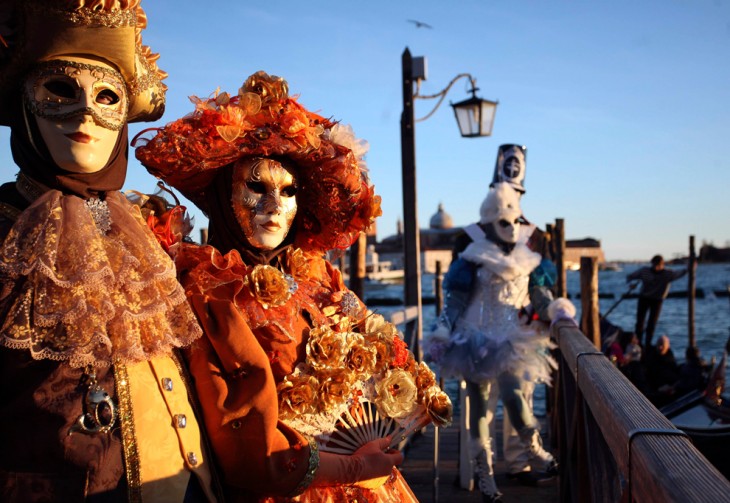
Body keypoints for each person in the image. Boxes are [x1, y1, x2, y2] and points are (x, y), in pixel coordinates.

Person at [135, 71, 452, 501]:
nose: (273, 206)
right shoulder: (210, 291)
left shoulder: (316, 278)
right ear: (221, 198)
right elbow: (245, 443)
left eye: (288, 191)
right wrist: (354, 465)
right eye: (256, 187)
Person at [0, 1, 219, 501]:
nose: (84, 114)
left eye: (105, 97)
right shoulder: (6, 232)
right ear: (23, 104)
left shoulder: (140, 229)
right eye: (58, 90)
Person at [425, 182, 557, 502]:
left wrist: (557, 313)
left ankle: (534, 447)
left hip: (511, 338)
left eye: (515, 222)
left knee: (514, 395)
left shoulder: (529, 261)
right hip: (474, 339)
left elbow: (541, 299)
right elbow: (454, 302)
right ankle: (485, 476)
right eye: (503, 222)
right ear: (488, 224)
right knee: (479, 409)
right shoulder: (471, 260)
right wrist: (442, 330)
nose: (511, 228)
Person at [627, 255, 689, 347]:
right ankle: (638, 343)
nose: (656, 267)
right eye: (655, 265)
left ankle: (647, 344)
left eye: (659, 265)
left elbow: (680, 273)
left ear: (662, 265)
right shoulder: (644, 271)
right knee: (640, 322)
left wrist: (689, 268)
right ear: (652, 264)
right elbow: (630, 277)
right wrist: (631, 285)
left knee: (652, 324)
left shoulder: (668, 273)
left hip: (657, 300)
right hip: (644, 298)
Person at [643, 334, 680, 406]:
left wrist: (670, 387)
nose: (660, 347)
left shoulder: (670, 360)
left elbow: (674, 377)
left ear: (668, 346)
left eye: (662, 345)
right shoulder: (651, 356)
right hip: (653, 390)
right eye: (659, 345)